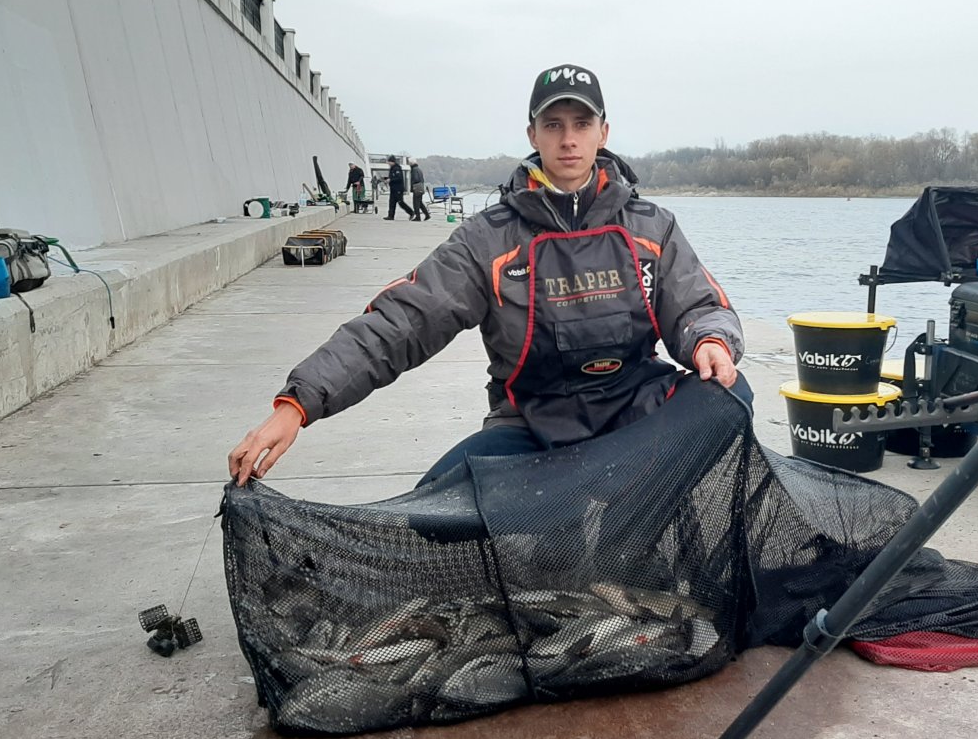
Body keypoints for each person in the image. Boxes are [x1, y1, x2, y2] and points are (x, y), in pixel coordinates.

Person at [229, 63, 743, 487]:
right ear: (532, 135)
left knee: (730, 394)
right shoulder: (489, 238)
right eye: (554, 125)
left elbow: (699, 307)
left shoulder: (651, 226)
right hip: (532, 425)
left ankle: (623, 534)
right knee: (428, 513)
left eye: (582, 124)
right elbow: (400, 322)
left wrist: (709, 341)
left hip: (637, 412)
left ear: (603, 133)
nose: (569, 140)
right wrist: (297, 403)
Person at [384, 155, 413, 221]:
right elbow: (392, 177)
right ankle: (390, 216)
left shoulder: (397, 168)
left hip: (398, 189)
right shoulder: (392, 168)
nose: (388, 163)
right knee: (391, 202)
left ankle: (411, 212)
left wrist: (390, 180)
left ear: (392, 162)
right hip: (393, 188)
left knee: (400, 202)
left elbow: (399, 178)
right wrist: (387, 179)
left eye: (389, 162)